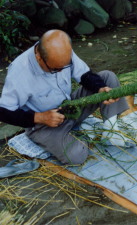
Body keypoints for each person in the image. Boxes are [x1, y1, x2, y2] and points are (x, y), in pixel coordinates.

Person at [0, 30, 129, 165]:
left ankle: (110, 130)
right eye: (55, 69)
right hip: (44, 124)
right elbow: (3, 111)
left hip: (71, 106)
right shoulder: (20, 72)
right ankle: (78, 138)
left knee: (108, 78)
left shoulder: (61, 51)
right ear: (39, 57)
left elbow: (84, 75)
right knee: (76, 156)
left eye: (64, 66)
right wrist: (40, 117)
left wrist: (100, 88)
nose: (61, 71)